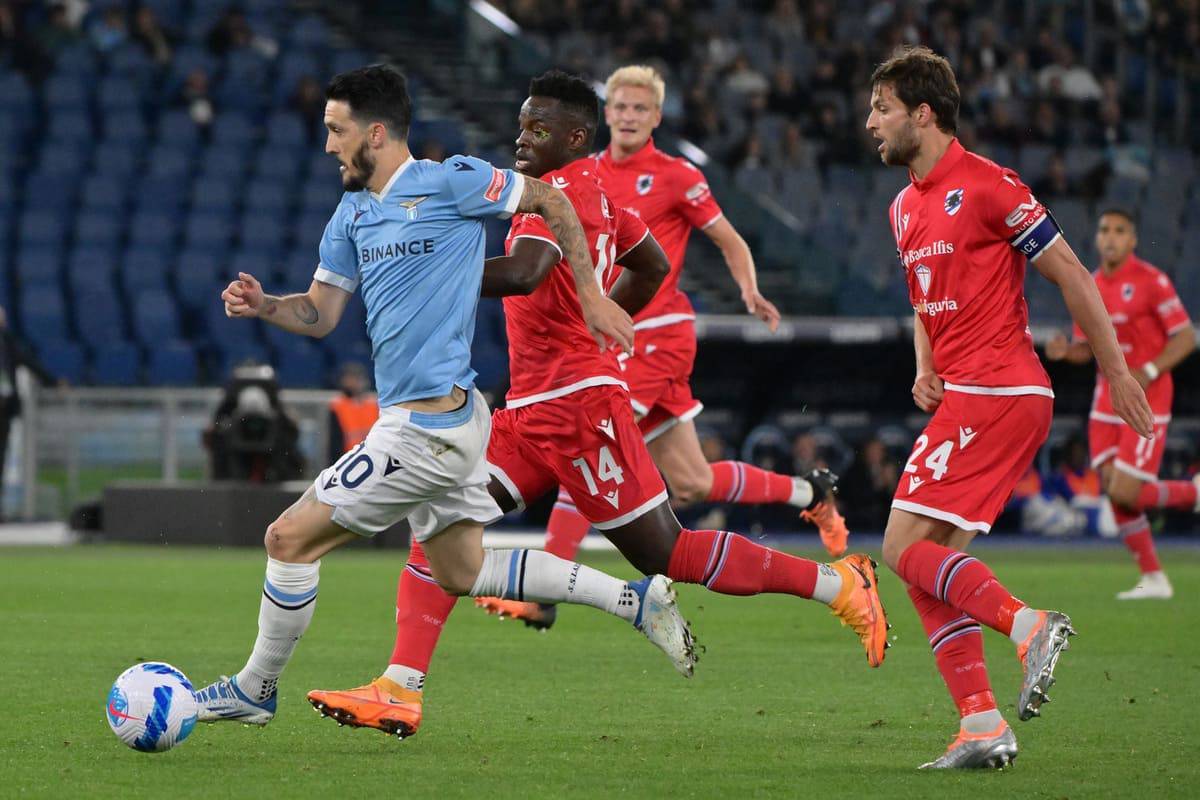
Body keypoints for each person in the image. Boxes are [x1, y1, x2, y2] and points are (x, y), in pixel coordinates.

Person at [306, 70, 890, 739]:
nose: (522, 139)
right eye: (521, 125)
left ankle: (839, 585)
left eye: (538, 129)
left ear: (576, 137)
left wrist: (424, 274)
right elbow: (651, 265)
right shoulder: (600, 193)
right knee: (438, 523)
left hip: (580, 409)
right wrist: (604, 316)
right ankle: (400, 689)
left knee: (669, 552)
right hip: (531, 411)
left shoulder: (559, 197)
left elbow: (525, 271)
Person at [191, 64, 697, 729]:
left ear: (375, 133)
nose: (329, 145)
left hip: (425, 430)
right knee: (460, 570)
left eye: (337, 131)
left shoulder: (452, 179)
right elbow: (319, 311)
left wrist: (592, 295)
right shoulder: (351, 214)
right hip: (442, 421)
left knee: (287, 539)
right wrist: (266, 306)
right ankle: (633, 601)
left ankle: (255, 689)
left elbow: (554, 202)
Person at [865, 45, 1155, 769]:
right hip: (969, 390)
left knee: (899, 548)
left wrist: (1117, 372)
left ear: (922, 114)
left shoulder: (991, 185)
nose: (871, 122)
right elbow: (923, 302)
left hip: (1002, 389)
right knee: (926, 565)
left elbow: (1073, 274)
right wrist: (925, 365)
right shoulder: (902, 207)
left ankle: (1029, 626)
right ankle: (981, 725)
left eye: (882, 109)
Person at [512, 64, 849, 603]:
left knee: (591, 439)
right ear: (605, 115)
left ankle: (540, 595)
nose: (628, 116)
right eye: (621, 106)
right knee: (692, 481)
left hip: (658, 333)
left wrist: (749, 289)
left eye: (640, 108)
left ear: (656, 118)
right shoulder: (581, 172)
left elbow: (729, 239)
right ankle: (810, 491)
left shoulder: (676, 175)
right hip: (610, 336)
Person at [1046, 209, 1197, 599]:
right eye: (1104, 230)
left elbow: (1185, 337)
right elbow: (1087, 347)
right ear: (1096, 238)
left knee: (1126, 493)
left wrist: (1148, 370)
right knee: (1114, 490)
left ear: (1132, 240)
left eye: (1119, 231)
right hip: (1106, 400)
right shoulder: (1090, 284)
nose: (1110, 237)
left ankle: (1193, 494)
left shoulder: (1152, 281)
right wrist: (1067, 352)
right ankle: (1154, 578)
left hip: (1148, 397)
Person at [0, 306, 58, 519]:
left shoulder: (7, 343)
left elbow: (27, 361)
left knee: (1, 458)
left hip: (4, 408)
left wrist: (53, 382)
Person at [326, 362, 378, 460]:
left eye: (357, 378)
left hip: (373, 457)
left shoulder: (374, 405)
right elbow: (334, 442)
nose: (354, 383)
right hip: (348, 459)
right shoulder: (337, 406)